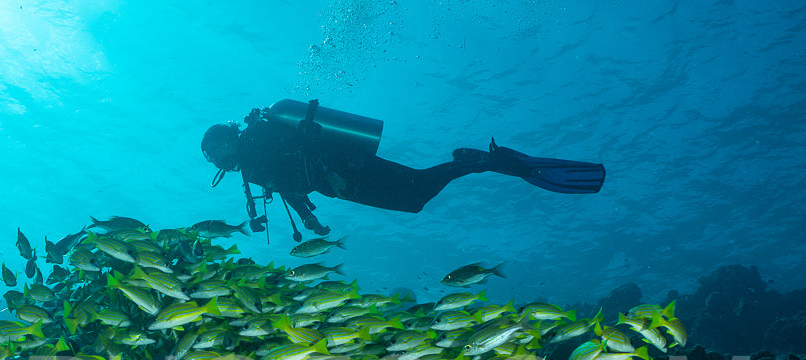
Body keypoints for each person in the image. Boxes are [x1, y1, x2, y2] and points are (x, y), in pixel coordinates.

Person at [201, 99, 605, 237]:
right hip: (340, 181)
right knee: (414, 198)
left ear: (224, 142)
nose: (219, 163)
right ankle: (469, 163)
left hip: (346, 170)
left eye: (214, 154)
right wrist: (310, 221)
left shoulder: (255, 141)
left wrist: (330, 172)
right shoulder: (251, 164)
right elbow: (289, 185)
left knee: (415, 192)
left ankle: (476, 162)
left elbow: (303, 145)